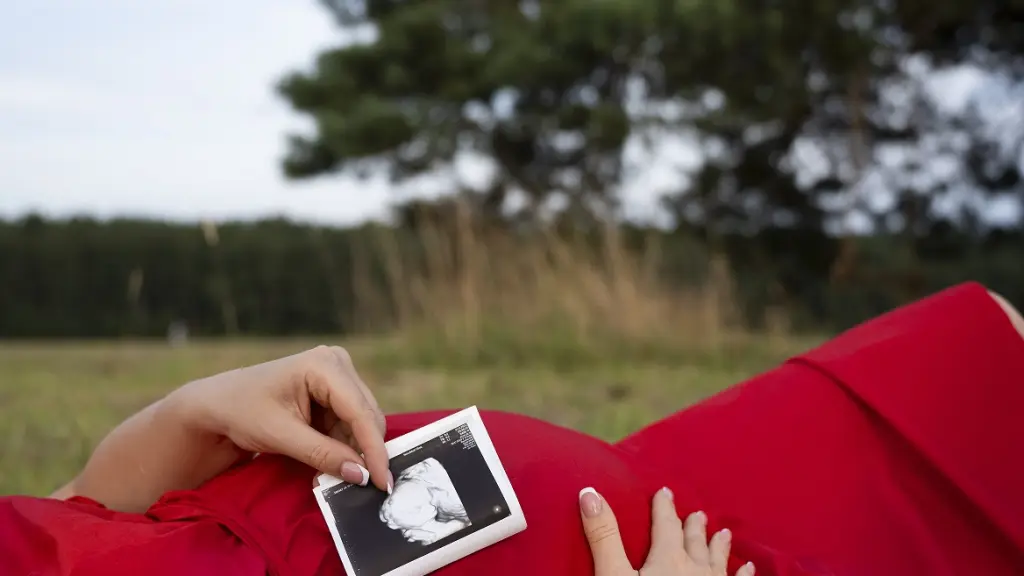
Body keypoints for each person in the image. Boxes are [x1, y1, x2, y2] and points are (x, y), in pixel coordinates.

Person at [1, 281, 1023, 575]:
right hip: (684, 556)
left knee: (963, 360)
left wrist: (189, 414)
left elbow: (71, 526)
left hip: (645, 487)